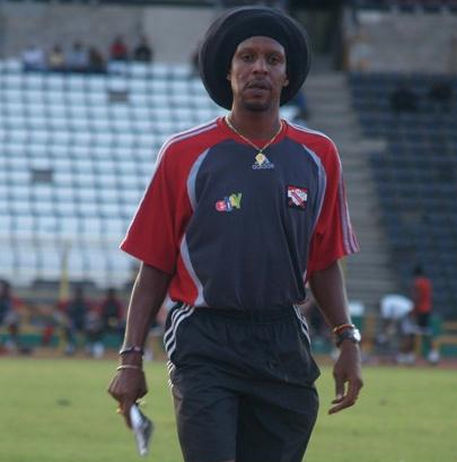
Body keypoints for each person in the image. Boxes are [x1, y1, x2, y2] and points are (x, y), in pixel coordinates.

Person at [108, 7, 363, 462]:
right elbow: (155, 265)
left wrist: (347, 340)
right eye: (247, 57)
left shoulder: (319, 155)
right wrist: (130, 358)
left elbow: (324, 261)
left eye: (273, 59)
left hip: (283, 338)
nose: (259, 68)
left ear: (288, 75)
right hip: (204, 338)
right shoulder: (183, 154)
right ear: (229, 72)